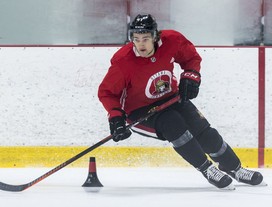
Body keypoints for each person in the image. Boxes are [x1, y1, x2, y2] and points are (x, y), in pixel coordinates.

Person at [98, 14, 264, 189]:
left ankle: (235, 168)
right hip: (140, 112)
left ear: (155, 36)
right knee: (174, 123)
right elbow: (107, 92)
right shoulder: (123, 61)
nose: (141, 44)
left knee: (204, 131)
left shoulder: (172, 40)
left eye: (145, 39)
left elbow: (191, 58)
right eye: (136, 39)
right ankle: (207, 169)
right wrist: (116, 117)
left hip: (171, 99)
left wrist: (190, 76)